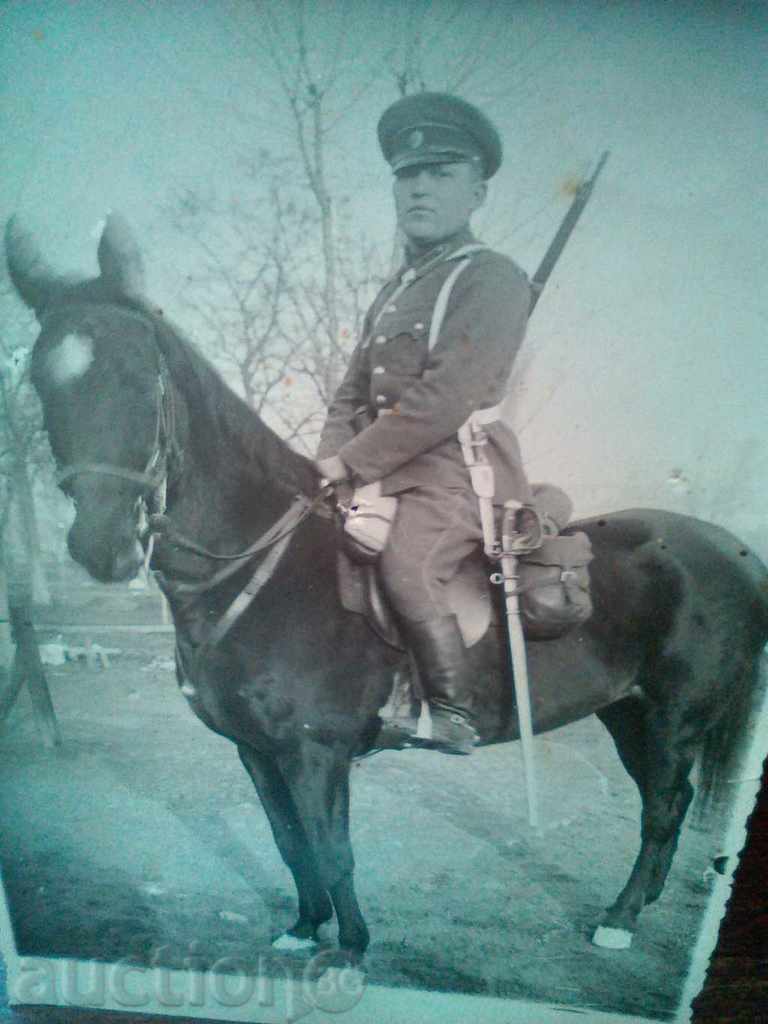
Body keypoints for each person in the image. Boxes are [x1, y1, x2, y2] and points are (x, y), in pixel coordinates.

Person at [315, 92, 532, 755]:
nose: (420, 188)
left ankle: (451, 710)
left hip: (449, 475)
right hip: (376, 472)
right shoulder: (394, 290)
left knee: (408, 567)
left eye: (440, 174)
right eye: (408, 175)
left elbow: (446, 396)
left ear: (478, 190)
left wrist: (353, 462)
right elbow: (351, 390)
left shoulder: (492, 277)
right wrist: (328, 463)